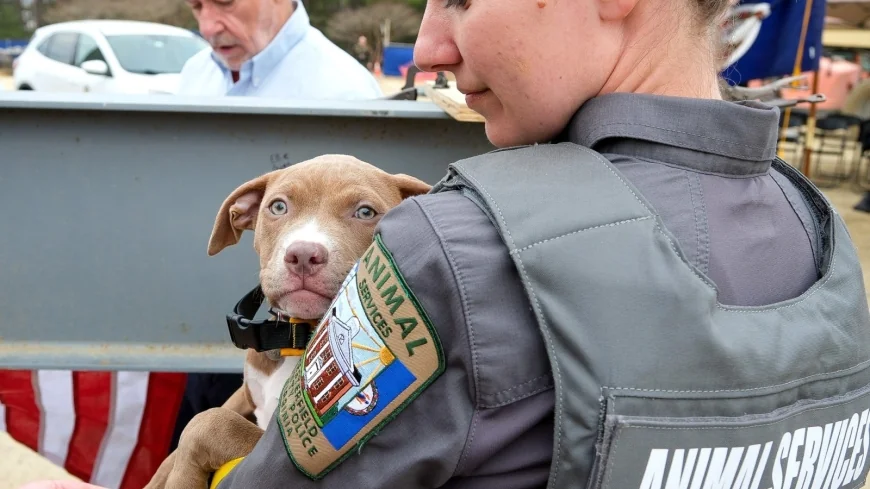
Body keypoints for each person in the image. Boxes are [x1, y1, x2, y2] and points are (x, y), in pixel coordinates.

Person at [23, 0, 870, 485]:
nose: (429, 46)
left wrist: (209, 444)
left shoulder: (446, 255)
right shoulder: (821, 242)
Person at [177, 0, 382, 100]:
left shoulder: (348, 93)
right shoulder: (194, 73)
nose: (207, 28)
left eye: (225, 2)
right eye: (196, 6)